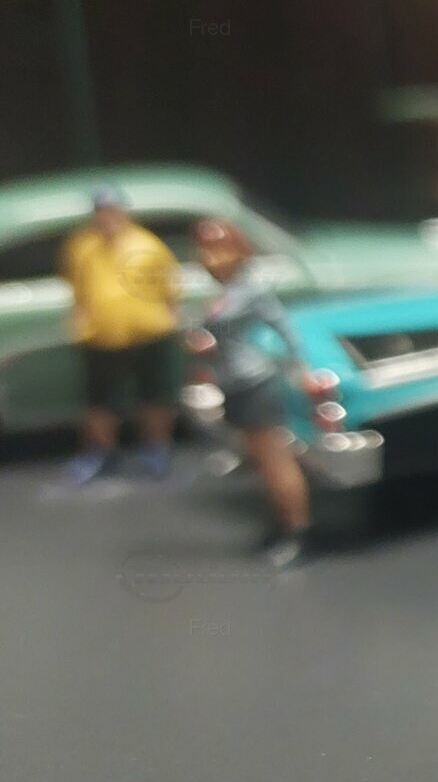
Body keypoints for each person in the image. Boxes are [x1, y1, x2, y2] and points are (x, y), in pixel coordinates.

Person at [189, 219, 315, 567]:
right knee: (260, 460)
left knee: (275, 459)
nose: (211, 259)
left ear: (238, 251)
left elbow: (286, 328)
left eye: (219, 249)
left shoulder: (250, 291)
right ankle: (281, 523)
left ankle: (298, 530)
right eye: (206, 250)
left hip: (254, 381)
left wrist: (301, 369)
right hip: (232, 381)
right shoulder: (226, 292)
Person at [60, 187, 182, 485]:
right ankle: (102, 452)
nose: (107, 218)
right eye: (101, 212)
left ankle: (156, 448)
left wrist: (167, 318)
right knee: (99, 400)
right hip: (100, 336)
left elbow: (170, 289)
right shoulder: (81, 245)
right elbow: (76, 285)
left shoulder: (147, 244)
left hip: (147, 333)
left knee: (154, 395)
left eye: (112, 211)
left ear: (124, 213)